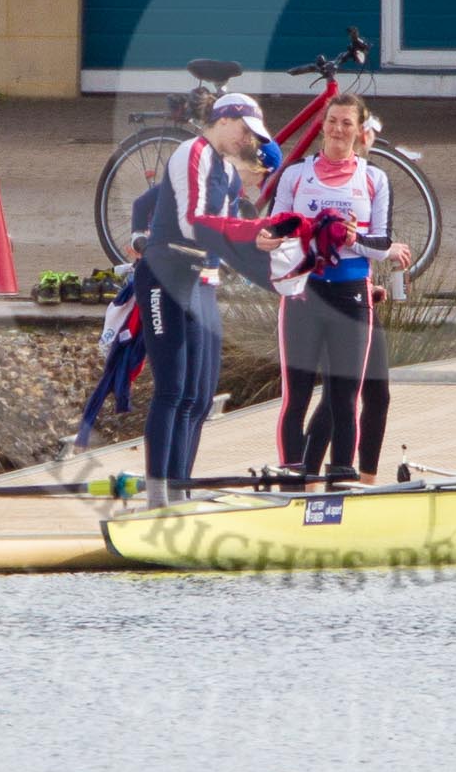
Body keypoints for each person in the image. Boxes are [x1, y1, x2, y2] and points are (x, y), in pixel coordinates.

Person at [262, 93, 413, 487]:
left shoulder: (374, 179)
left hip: (351, 294)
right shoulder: (296, 175)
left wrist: (350, 236)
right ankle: (295, 483)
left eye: (347, 123)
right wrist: (271, 238)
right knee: (295, 398)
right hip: (304, 293)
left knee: (345, 400)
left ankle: (342, 485)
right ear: (322, 125)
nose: (338, 129)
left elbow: (381, 244)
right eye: (332, 121)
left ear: (360, 130)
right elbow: (275, 228)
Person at [138, 91, 275, 505]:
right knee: (172, 390)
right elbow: (192, 222)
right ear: (226, 119)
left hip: (200, 279)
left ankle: (181, 490)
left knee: (199, 396)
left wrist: (266, 242)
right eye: (246, 132)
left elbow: (231, 228)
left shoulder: (229, 173)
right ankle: (159, 498)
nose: (248, 141)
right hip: (166, 274)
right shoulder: (191, 151)